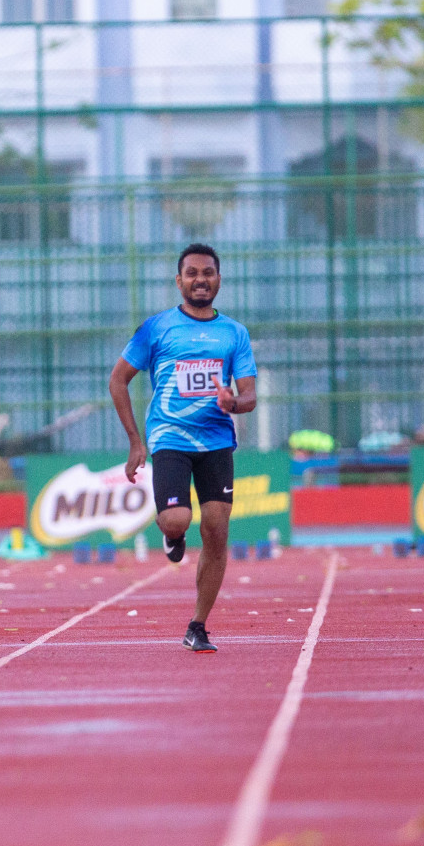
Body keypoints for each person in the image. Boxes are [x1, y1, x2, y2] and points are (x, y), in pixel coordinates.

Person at [109, 243, 257, 653]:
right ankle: (172, 536)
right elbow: (118, 379)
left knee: (216, 531)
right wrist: (135, 441)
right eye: (191, 273)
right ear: (179, 281)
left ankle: (198, 624)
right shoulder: (157, 329)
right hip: (169, 437)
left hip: (216, 441)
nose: (200, 280)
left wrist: (233, 403)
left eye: (207, 273)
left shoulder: (234, 333)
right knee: (176, 520)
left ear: (218, 280)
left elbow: (250, 396)